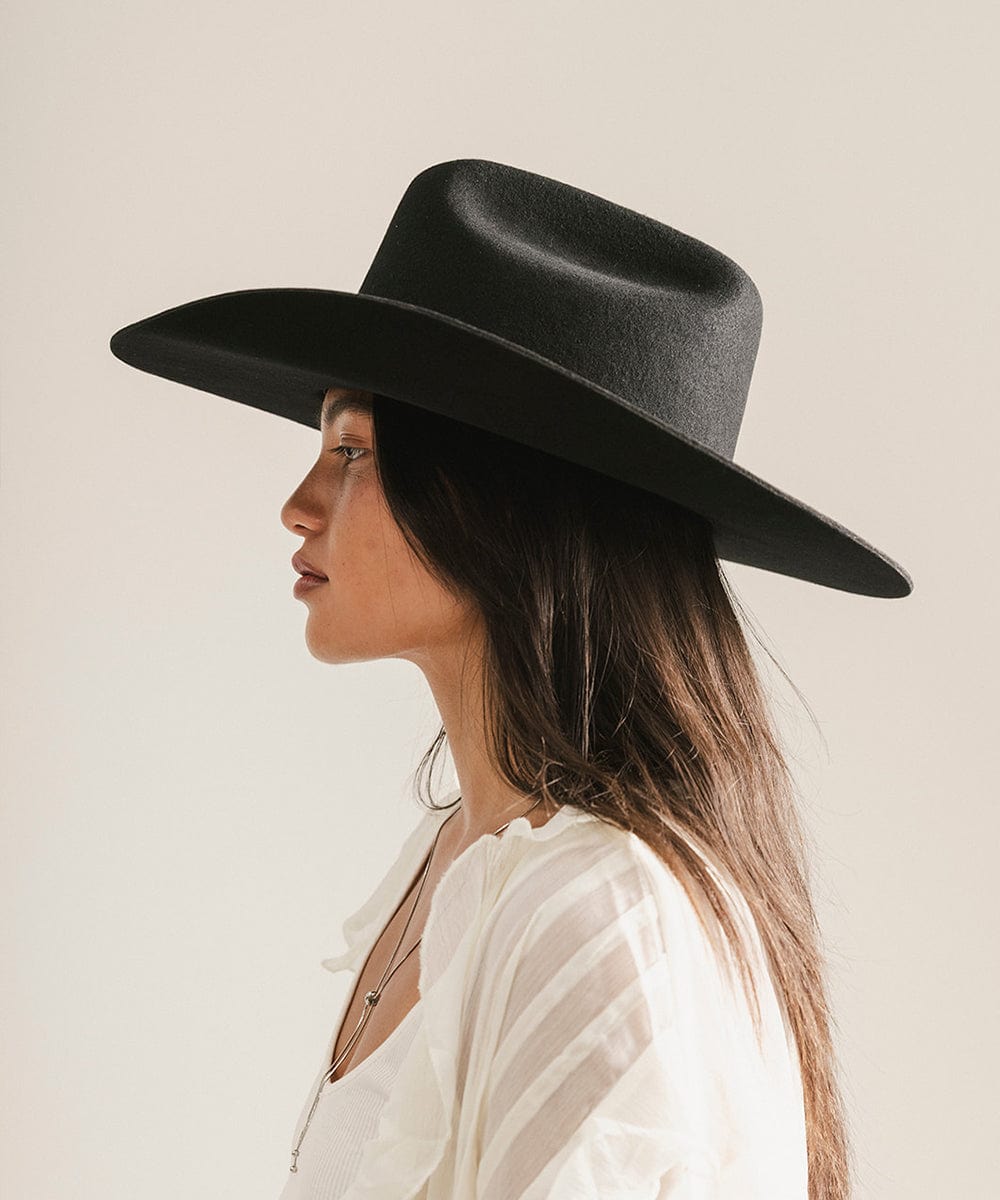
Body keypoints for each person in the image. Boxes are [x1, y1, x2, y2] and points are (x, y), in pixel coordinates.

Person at [108, 157, 913, 1200]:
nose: (298, 505)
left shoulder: (598, 914)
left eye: (352, 452)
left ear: (505, 501)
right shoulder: (466, 858)